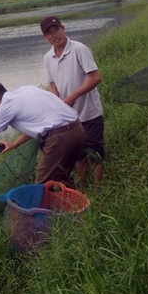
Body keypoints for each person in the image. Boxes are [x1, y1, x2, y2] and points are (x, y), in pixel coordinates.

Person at [0, 81, 86, 186]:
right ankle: (72, 203)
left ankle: (43, 204)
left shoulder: (5, 107)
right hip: (78, 129)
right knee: (62, 176)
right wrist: (14, 144)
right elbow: (39, 125)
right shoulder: (26, 90)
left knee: (41, 183)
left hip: (60, 137)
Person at [39, 15, 105, 184]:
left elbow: (96, 77)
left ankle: (99, 190)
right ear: (45, 37)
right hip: (69, 118)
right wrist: (54, 102)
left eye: (57, 30)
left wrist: (74, 95)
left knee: (95, 153)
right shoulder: (48, 58)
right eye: (50, 33)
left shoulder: (78, 49)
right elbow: (53, 87)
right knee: (78, 155)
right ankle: (83, 187)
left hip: (90, 113)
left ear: (64, 28)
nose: (55, 35)